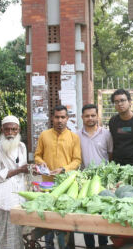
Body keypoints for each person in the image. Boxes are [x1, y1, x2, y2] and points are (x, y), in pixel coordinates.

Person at [34, 105, 81, 249]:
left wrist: (63, 169)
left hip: (66, 186)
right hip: (47, 185)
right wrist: (43, 166)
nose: (59, 120)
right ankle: (49, 246)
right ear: (52, 118)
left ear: (67, 118)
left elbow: (77, 160)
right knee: (48, 218)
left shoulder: (74, 137)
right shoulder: (44, 135)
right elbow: (37, 155)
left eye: (62, 117)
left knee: (66, 219)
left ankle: (68, 246)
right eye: (57, 117)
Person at [0, 115, 32, 249]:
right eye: (7, 130)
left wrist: (31, 170)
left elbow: (23, 170)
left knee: (18, 235)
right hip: (3, 199)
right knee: (5, 236)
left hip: (19, 196)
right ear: (2, 130)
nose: (10, 133)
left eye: (14, 129)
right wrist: (18, 170)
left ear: (19, 130)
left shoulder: (22, 147)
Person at [77, 104, 112, 249]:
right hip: (86, 180)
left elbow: (110, 155)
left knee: (102, 213)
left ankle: (103, 245)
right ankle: (89, 246)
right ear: (82, 117)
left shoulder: (106, 134)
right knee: (87, 214)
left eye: (93, 115)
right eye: (87, 116)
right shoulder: (76, 135)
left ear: (97, 116)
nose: (90, 118)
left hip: (103, 180)